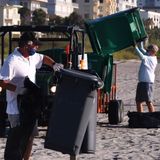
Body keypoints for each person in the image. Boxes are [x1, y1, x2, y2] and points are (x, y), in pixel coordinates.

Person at [0, 31, 63, 160]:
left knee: (30, 136)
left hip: (30, 106)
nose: (37, 48)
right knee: (17, 140)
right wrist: (18, 89)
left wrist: (53, 64)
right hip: (16, 108)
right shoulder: (12, 60)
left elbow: (43, 57)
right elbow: (2, 82)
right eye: (35, 45)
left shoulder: (32, 57)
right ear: (26, 45)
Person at [134, 40, 158, 112]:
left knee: (148, 101)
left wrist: (135, 47)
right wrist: (141, 41)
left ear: (152, 52)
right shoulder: (148, 56)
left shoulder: (151, 59)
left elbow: (141, 56)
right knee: (138, 101)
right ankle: (140, 116)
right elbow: (142, 49)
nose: (147, 51)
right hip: (142, 82)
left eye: (148, 50)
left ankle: (152, 116)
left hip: (147, 83)